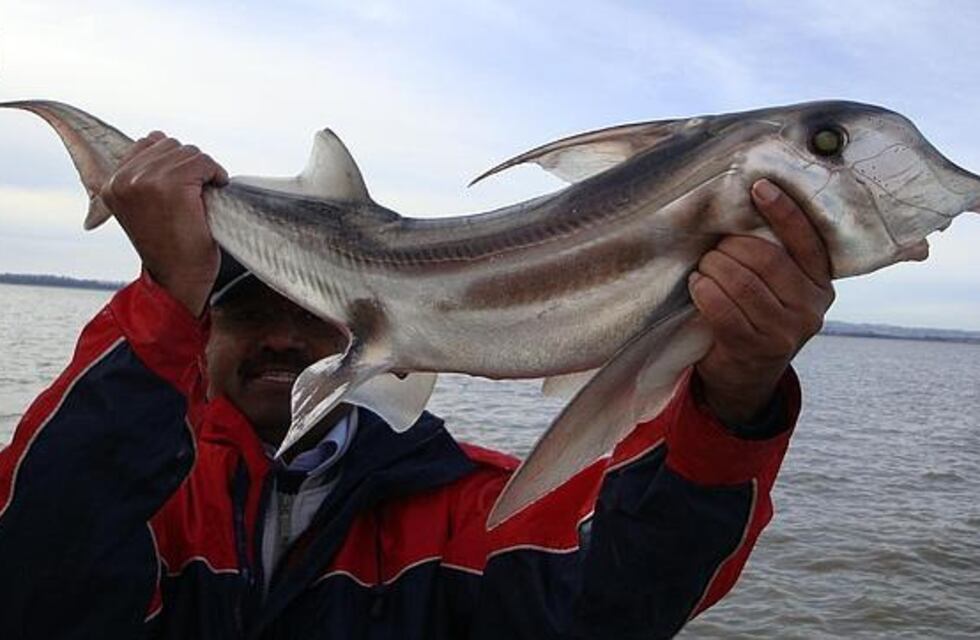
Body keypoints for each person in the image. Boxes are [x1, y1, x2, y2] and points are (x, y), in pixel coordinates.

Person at [0, 131, 834, 639]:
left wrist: (732, 399)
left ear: (356, 327)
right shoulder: (147, 495)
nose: (286, 336)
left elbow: (616, 604)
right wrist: (159, 297)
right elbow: (33, 579)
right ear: (201, 330)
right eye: (249, 314)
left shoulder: (458, 506)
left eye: (309, 312)